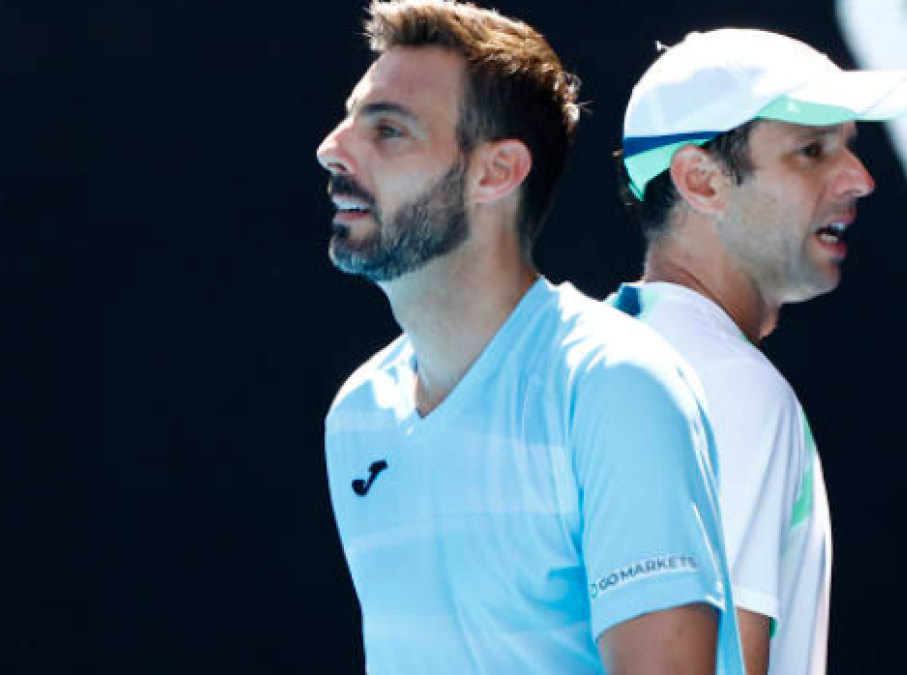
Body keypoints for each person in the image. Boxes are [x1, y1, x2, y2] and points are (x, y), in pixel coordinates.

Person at [315, 2, 744, 673]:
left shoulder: (616, 385)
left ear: (497, 172)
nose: (332, 148)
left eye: (389, 130)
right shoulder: (357, 416)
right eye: (349, 120)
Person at [610, 29, 907, 675]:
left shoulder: (589, 358)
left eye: (849, 148)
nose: (859, 179)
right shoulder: (727, 385)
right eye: (811, 151)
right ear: (702, 180)